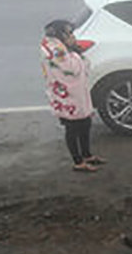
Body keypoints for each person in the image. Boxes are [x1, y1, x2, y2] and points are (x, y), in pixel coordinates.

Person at [41, 19, 103, 172]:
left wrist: (74, 51)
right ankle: (78, 161)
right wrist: (76, 52)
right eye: (69, 33)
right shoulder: (57, 50)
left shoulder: (58, 47)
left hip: (75, 92)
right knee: (73, 127)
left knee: (85, 123)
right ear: (60, 34)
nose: (73, 36)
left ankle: (87, 155)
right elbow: (73, 68)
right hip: (67, 95)